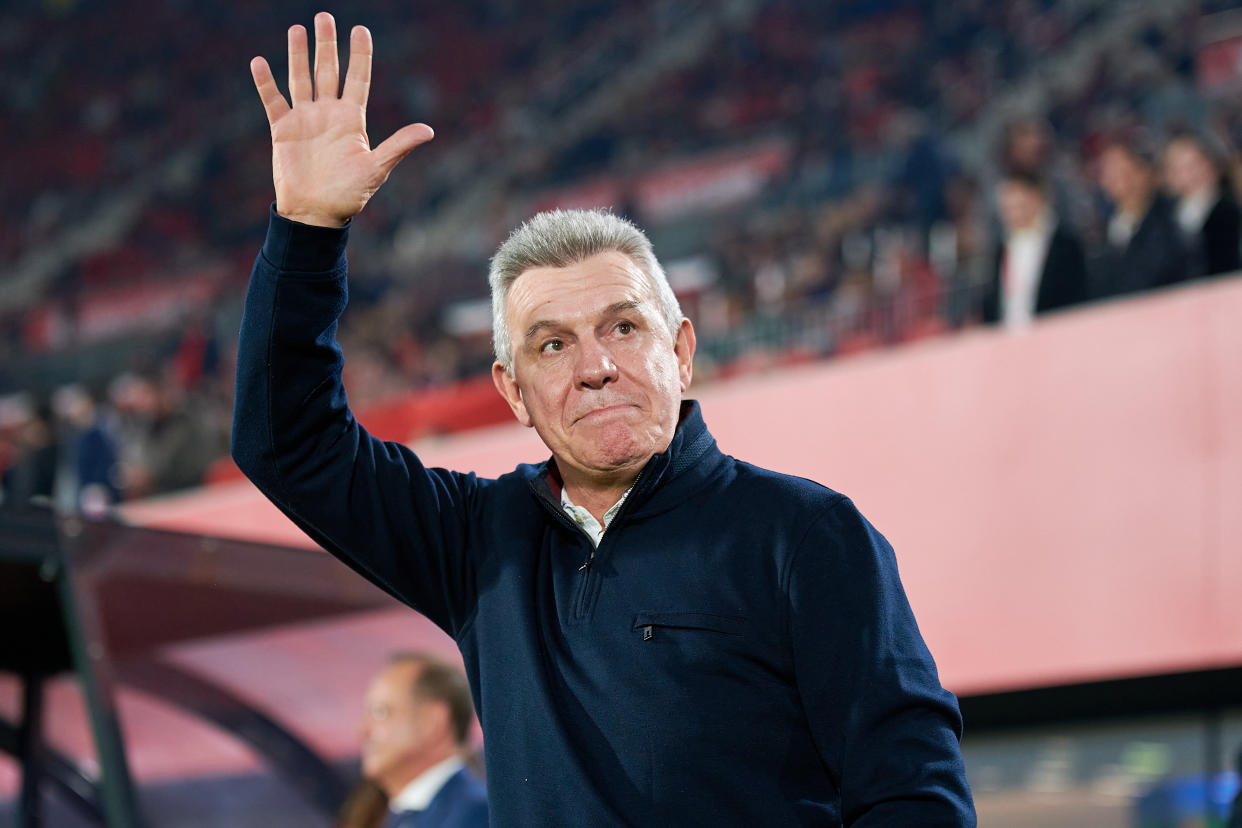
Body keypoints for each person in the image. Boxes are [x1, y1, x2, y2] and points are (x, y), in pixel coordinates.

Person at [233, 13, 975, 826]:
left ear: (681, 350)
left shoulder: (808, 535)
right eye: (551, 345)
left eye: (623, 327)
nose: (594, 365)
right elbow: (287, 441)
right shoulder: (478, 542)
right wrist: (306, 234)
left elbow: (912, 798)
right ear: (512, 393)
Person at [351, 653, 488, 828]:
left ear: (433, 722)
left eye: (380, 712)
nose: (362, 730)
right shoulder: (396, 817)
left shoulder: (479, 816)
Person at [981, 169, 1089, 328]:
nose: (1014, 213)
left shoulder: (1065, 245)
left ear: (1038, 198)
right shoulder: (1003, 249)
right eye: (1008, 208)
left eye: (1020, 205)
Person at [1091, 140, 1187, 301]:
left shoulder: (1171, 220)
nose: (1120, 180)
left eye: (1125, 171)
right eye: (1109, 173)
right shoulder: (1100, 235)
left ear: (1144, 172)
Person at [1162, 131, 1241, 279]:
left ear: (1210, 163)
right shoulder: (1164, 219)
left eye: (1195, 163)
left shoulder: (1229, 211)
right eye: (1180, 167)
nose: (1191, 173)